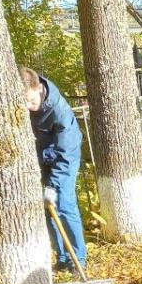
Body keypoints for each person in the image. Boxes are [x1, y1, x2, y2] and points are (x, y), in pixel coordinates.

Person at [20, 67, 86, 271]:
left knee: (65, 205)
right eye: (25, 103)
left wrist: (54, 184)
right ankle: (63, 257)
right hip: (44, 156)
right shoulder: (29, 105)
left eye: (31, 101)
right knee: (49, 209)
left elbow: (65, 153)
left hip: (65, 158)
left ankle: (79, 258)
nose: (29, 107)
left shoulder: (59, 111)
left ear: (39, 89)